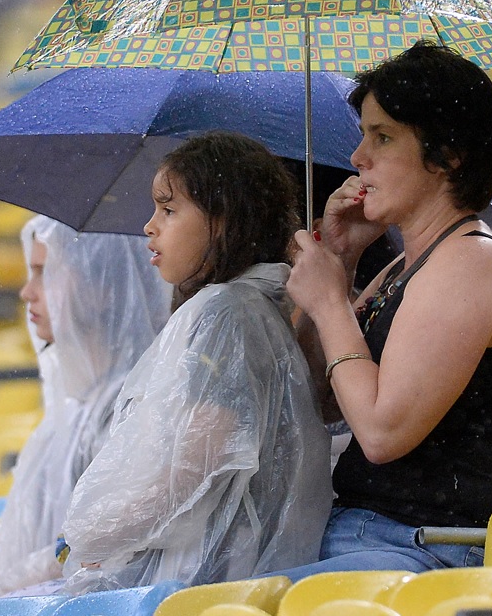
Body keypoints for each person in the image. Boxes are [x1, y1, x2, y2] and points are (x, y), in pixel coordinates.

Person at [278, 41, 492, 579]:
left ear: (448, 155)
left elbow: (381, 434)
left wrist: (329, 302)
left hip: (429, 548)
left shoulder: (471, 263)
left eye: (383, 137)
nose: (356, 159)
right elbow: (317, 402)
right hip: (363, 532)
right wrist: (343, 261)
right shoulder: (404, 267)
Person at [55, 131, 332, 594]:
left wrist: (93, 534)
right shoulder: (248, 307)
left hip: (196, 586)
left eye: (168, 209)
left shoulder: (226, 313)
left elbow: (196, 467)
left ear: (223, 221)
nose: (150, 226)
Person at [0, 215, 174, 602]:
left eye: (46, 273)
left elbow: (93, 549)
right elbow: (21, 547)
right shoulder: (70, 411)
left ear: (103, 286)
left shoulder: (132, 406)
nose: (27, 292)